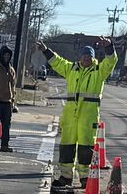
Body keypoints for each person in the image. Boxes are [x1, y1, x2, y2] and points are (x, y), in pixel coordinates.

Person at [44, 42, 117, 185]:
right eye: (84, 55)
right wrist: (46, 51)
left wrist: (109, 48)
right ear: (80, 57)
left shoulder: (99, 71)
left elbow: (111, 62)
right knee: (66, 146)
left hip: (88, 116)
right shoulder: (72, 69)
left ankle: (85, 178)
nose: (86, 58)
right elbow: (58, 62)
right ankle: (66, 176)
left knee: (86, 147)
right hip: (71, 115)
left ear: (93, 58)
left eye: (89, 56)